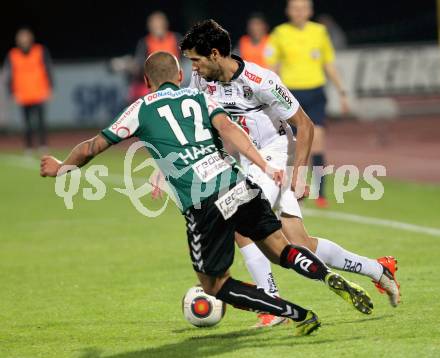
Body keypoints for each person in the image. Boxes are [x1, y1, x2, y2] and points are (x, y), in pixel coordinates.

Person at [40, 51, 374, 337]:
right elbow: (230, 129)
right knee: (281, 250)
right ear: (181, 74)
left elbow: (91, 147)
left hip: (203, 203)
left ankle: (295, 314)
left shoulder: (140, 108)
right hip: (238, 184)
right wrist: (263, 164)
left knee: (215, 285)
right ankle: (326, 275)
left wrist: (61, 168)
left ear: (146, 80)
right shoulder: (200, 97)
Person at [181, 19, 400, 327]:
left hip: (275, 159)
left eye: (197, 60)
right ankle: (379, 270)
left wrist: (299, 175)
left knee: (241, 224)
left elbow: (305, 124)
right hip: (250, 163)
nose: (194, 67)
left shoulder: (262, 80)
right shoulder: (202, 80)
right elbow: (198, 119)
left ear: (215, 54)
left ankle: (270, 307)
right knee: (299, 242)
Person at [266, 0, 349, 207]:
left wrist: (342, 91)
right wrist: (267, 94)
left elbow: (328, 63)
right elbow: (273, 66)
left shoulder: (319, 32)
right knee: (293, 145)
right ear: (288, 11)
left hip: (315, 92)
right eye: (295, 8)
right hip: (290, 94)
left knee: (317, 141)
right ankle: (295, 190)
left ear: (310, 11)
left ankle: (321, 194)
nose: (299, 12)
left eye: (303, 8)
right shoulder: (279, 33)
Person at [3, 27, 53, 154]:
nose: (23, 40)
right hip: (23, 94)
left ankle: (43, 145)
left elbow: (48, 69)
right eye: (21, 38)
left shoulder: (39, 51)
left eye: (25, 37)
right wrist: (11, 92)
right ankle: (29, 147)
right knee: (26, 123)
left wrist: (50, 88)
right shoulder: (13, 54)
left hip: (39, 92)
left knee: (41, 121)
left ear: (31, 39)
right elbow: (8, 75)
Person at [130, 11, 181, 101]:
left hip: (176, 79)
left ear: (165, 24)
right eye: (154, 24)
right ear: (149, 26)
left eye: (159, 23)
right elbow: (139, 64)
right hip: (153, 81)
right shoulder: (144, 43)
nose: (157, 26)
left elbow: (187, 58)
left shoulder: (176, 38)